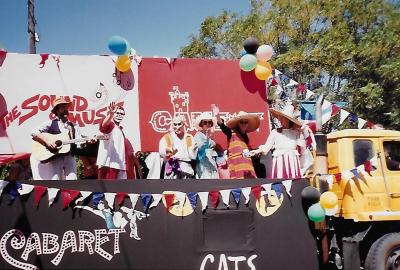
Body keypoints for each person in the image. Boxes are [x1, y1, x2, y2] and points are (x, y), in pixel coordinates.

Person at [31, 96, 94, 180]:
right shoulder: (50, 123)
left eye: (66, 107)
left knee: (73, 180)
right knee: (55, 180)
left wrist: (87, 142)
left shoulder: (73, 125)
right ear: (57, 110)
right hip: (55, 156)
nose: (66, 109)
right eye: (62, 107)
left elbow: (79, 142)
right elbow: (34, 132)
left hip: (70, 157)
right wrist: (48, 142)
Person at [250, 102, 306, 179]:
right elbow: (267, 147)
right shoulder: (275, 132)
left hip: (292, 162)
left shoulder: (296, 133)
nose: (281, 120)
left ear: (289, 120)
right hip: (279, 161)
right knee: (279, 181)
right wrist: (256, 151)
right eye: (281, 118)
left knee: (294, 181)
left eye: (284, 119)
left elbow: (302, 149)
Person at [211, 104, 259, 179]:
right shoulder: (231, 133)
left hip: (247, 167)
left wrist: (253, 153)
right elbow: (222, 125)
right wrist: (217, 115)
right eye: (241, 122)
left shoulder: (246, 137)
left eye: (245, 122)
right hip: (236, 165)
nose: (243, 124)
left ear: (248, 124)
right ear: (238, 123)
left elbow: (247, 152)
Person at [96, 102, 142, 180]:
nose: (119, 115)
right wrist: (110, 114)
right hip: (110, 164)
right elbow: (103, 126)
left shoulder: (120, 129)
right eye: (117, 113)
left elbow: (130, 152)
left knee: (120, 191)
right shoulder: (111, 125)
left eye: (122, 114)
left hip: (121, 165)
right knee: (110, 191)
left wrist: (138, 167)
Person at [193, 112, 219, 179]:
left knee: (215, 186)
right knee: (205, 187)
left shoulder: (211, 136)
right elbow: (200, 148)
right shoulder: (198, 135)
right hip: (203, 165)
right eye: (205, 122)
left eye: (209, 122)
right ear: (201, 124)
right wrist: (206, 139)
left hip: (212, 164)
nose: (207, 124)